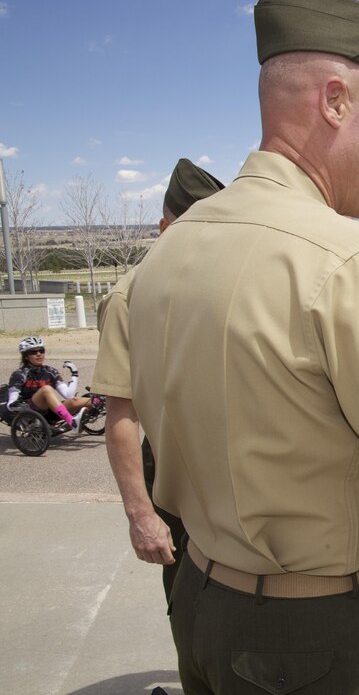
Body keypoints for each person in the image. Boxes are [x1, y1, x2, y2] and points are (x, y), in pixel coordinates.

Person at [123, 0, 359, 694]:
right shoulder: (349, 259)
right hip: (311, 636)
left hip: (199, 602)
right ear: (335, 102)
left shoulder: (169, 250)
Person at [94, 158, 224, 603]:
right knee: (190, 600)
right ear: (165, 227)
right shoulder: (128, 297)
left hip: (240, 464)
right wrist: (140, 514)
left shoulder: (232, 285)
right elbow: (121, 416)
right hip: (176, 468)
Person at [7, 337, 94, 431]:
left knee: (75, 400)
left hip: (51, 411)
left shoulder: (50, 371)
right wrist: (16, 405)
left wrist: (74, 374)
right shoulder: (19, 374)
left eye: (41, 351)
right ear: (26, 356)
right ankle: (72, 422)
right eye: (33, 352)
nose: (39, 354)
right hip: (31, 412)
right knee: (46, 389)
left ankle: (105, 404)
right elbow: (11, 403)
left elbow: (68, 395)